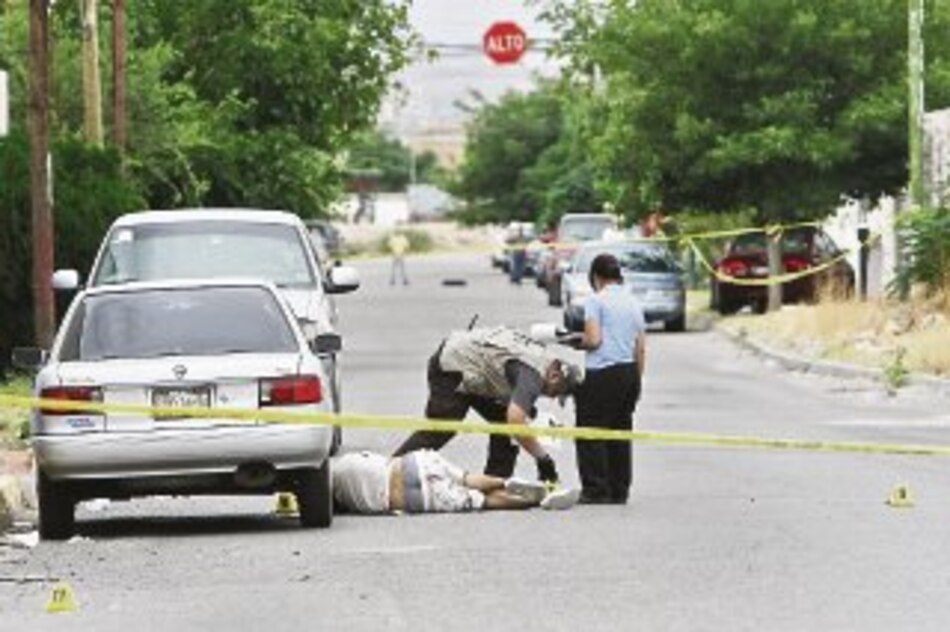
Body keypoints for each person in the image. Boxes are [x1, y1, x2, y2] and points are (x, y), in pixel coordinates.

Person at [392, 326, 581, 484]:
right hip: (453, 366)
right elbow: (515, 420)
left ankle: (495, 481)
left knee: (504, 424)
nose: (551, 397)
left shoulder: (545, 361)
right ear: (555, 376)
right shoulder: (533, 377)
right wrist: (543, 460)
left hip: (477, 368)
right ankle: (387, 472)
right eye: (555, 393)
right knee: (442, 428)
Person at [573, 253, 646, 504]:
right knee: (620, 431)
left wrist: (574, 341)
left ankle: (596, 489)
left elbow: (594, 340)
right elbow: (640, 347)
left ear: (596, 277)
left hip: (602, 373)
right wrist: (637, 381)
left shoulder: (595, 300)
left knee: (590, 430)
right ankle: (619, 489)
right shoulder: (633, 302)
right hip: (629, 372)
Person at [332, 449, 580, 515]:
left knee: (482, 502)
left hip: (408, 499)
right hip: (412, 464)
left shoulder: (336, 498)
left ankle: (533, 502)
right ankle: (506, 482)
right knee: (466, 478)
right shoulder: (345, 461)